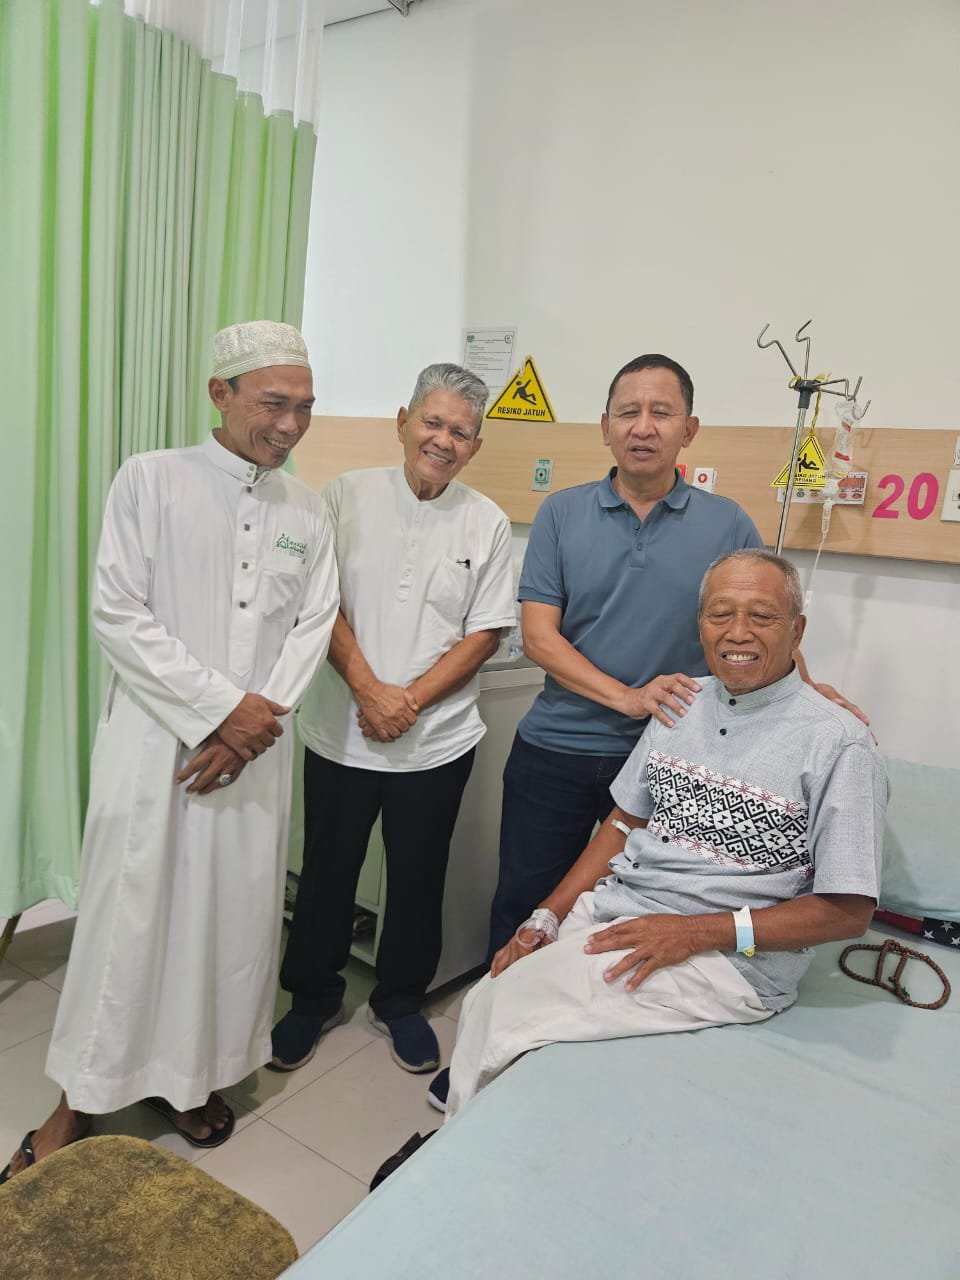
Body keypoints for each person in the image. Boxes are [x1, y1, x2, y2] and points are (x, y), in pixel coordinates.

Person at [1, 321, 339, 1183]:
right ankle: (80, 1099)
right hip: (159, 748)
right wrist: (223, 711)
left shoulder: (307, 510)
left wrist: (255, 722)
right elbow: (118, 614)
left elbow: (314, 624)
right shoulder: (150, 479)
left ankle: (189, 1081)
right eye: (273, 404)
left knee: (229, 923)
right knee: (130, 921)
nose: (290, 426)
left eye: (304, 407)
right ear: (220, 393)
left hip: (253, 759)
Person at [442, 548, 885, 1118]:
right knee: (490, 990)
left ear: (796, 631)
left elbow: (848, 912)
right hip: (625, 910)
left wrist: (696, 932)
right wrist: (547, 914)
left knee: (508, 1015)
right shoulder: (682, 703)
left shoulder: (837, 742)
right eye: (720, 614)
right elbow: (622, 822)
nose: (738, 632)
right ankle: (463, 1140)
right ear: (700, 626)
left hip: (730, 958)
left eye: (762, 615)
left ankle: (458, 1152)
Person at [271, 363, 516, 1076]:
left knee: (418, 875)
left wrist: (408, 702)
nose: (443, 440)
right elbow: (320, 606)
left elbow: (485, 632)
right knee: (327, 872)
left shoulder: (486, 521)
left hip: (436, 742)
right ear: (403, 421)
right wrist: (371, 691)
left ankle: (401, 1000)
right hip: (341, 732)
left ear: (475, 445)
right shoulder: (345, 496)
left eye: (460, 432)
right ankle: (311, 999)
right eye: (432, 422)